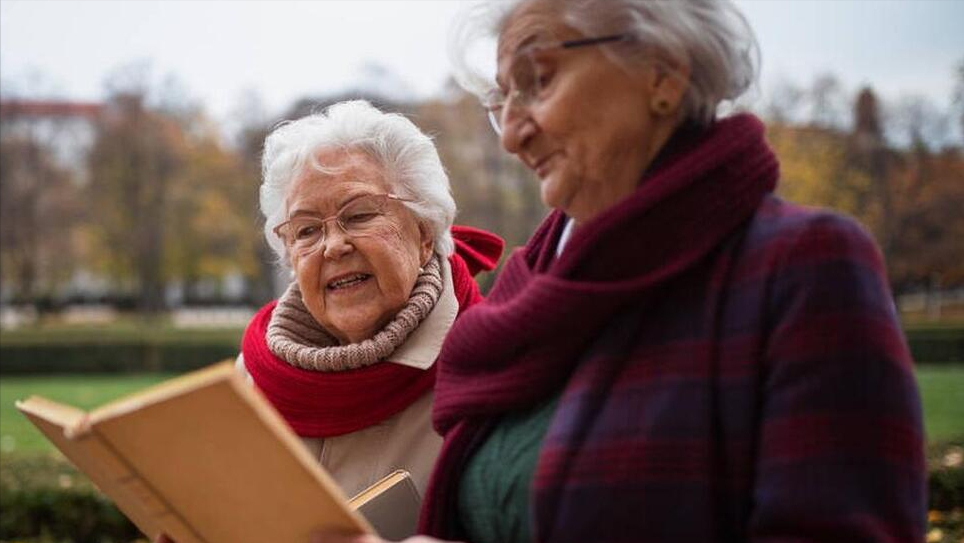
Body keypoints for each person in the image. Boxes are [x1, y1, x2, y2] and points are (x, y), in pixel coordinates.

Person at [317, 1, 926, 542]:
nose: (512, 136)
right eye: (502, 102)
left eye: (538, 80)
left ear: (664, 69)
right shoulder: (525, 296)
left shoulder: (802, 268)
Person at [158, 100, 504, 543]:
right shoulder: (250, 379)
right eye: (306, 230)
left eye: (359, 215)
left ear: (423, 234)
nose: (333, 246)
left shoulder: (488, 372)